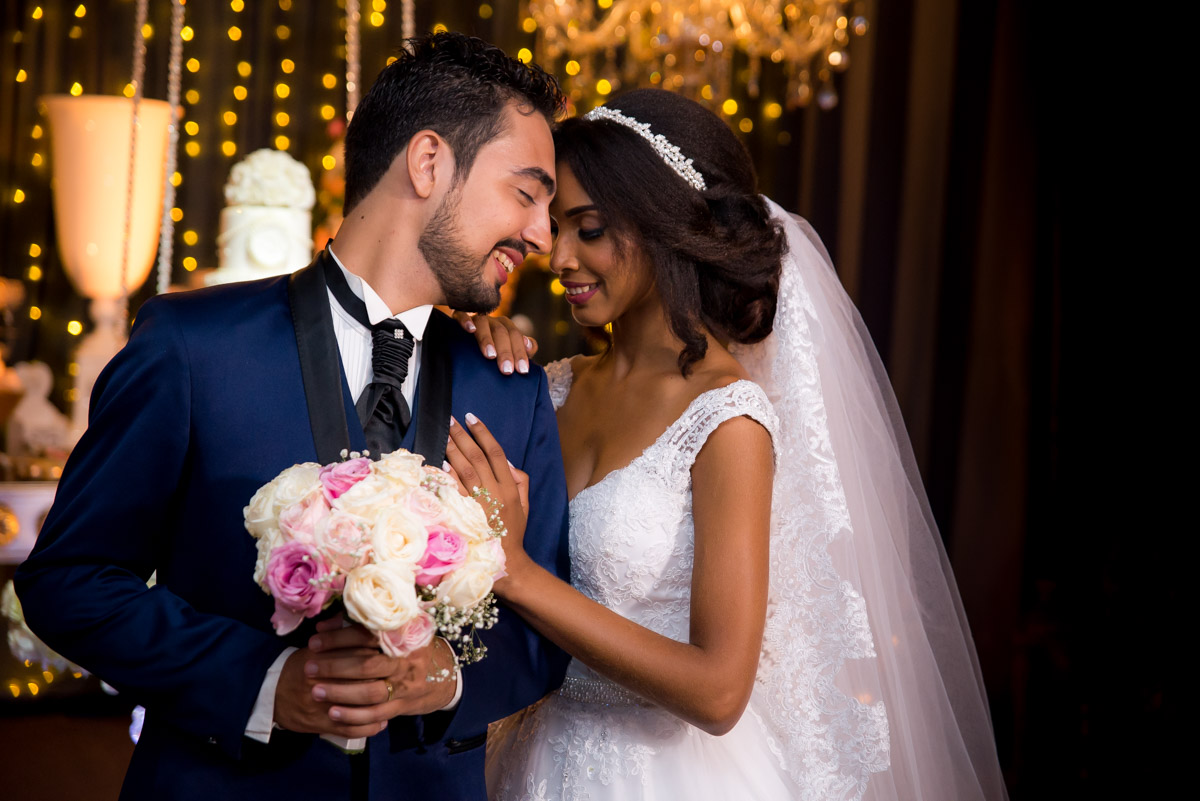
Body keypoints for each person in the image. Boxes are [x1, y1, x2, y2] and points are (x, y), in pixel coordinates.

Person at [15, 32, 572, 801]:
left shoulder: (512, 387)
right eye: (527, 192)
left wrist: (441, 676)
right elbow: (68, 581)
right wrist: (266, 682)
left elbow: (548, 630)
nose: (543, 234)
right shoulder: (190, 346)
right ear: (429, 162)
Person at [446, 89, 1009, 800]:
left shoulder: (727, 418)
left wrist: (520, 574)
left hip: (658, 774)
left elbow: (718, 690)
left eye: (587, 229)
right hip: (530, 754)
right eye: (556, 227)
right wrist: (470, 355)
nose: (558, 257)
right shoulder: (547, 386)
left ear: (663, 227)